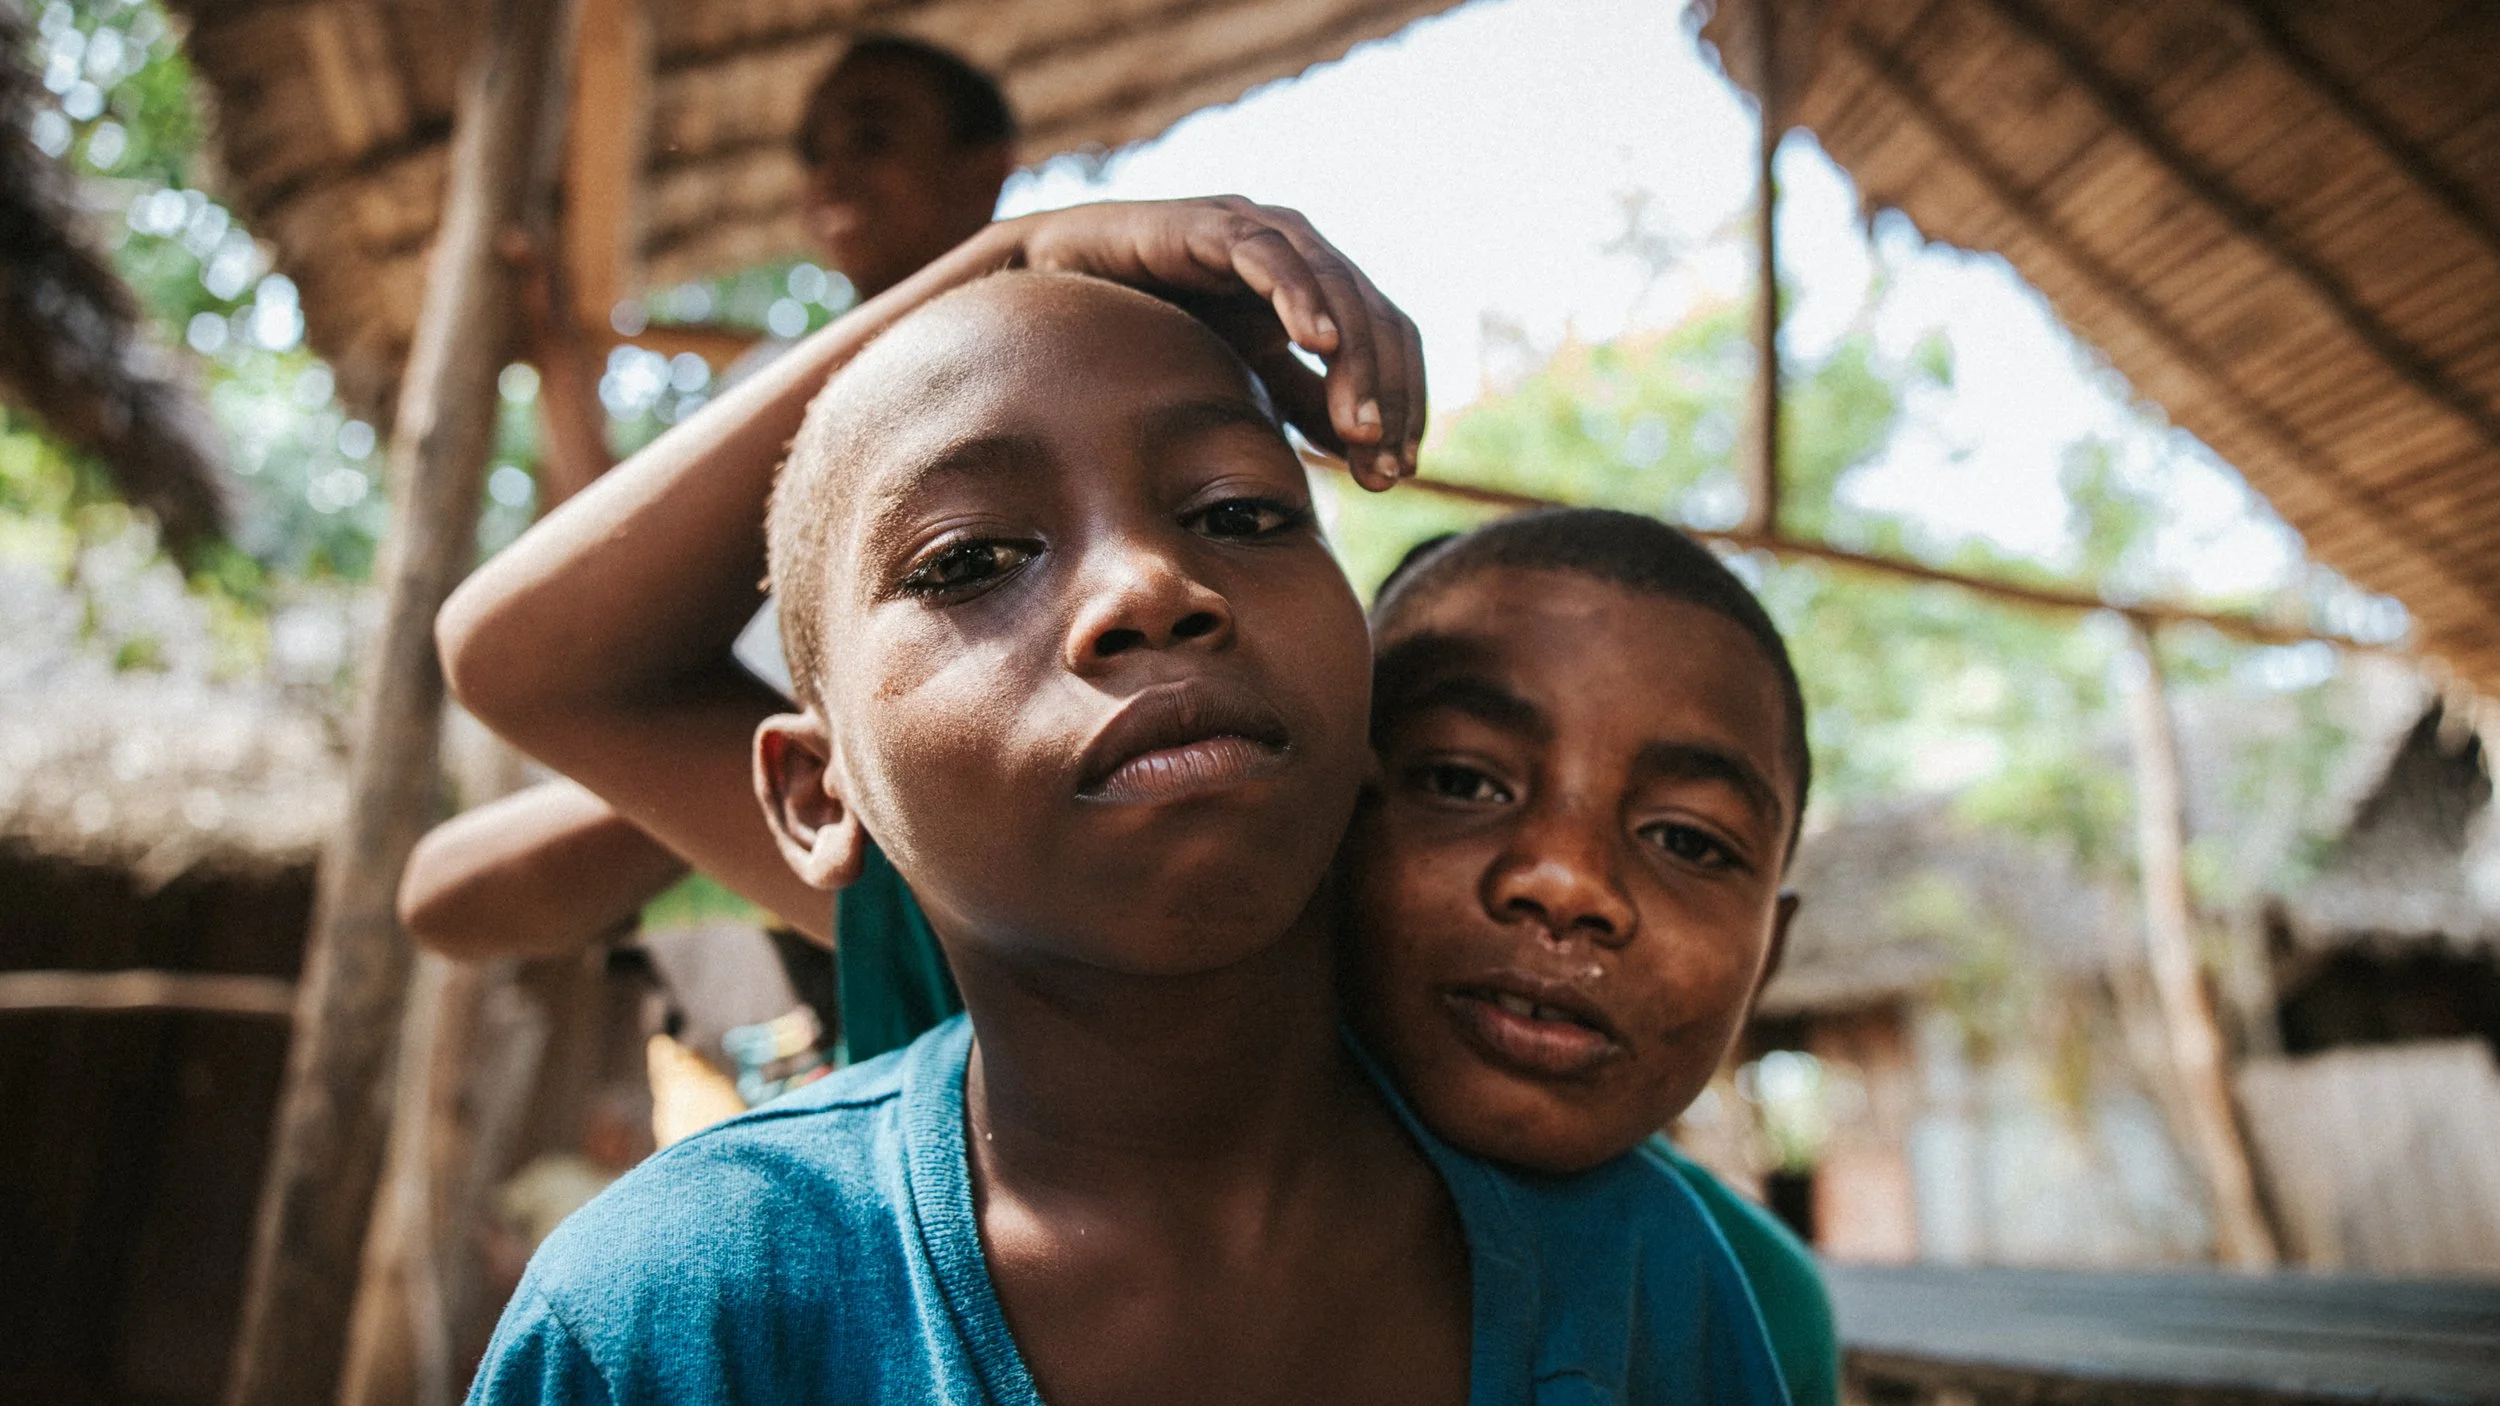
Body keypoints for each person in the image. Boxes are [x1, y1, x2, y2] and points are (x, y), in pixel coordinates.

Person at [442, 200, 1774, 1401]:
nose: (1151, 583)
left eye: (1246, 515)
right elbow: (489, 748)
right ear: (816, 789)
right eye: (970, 557)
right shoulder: (680, 1312)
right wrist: (1018, 251)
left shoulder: (1647, 1283)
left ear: (1368, 721)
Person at [836, 510, 1842, 1406]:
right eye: (1459, 778)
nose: (1566, 882)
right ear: (1317, 809)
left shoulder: (1712, 1288)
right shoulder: (1065, 1017)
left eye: (1690, 840)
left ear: (1771, 953)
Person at [398, 34, 1024, 1104]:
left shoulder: (1032, 358)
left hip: (904, 831)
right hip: (772, 815)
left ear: (987, 165)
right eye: (812, 149)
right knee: (446, 886)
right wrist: (559, 370)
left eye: (870, 136)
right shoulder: (790, 384)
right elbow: (605, 574)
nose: (830, 171)